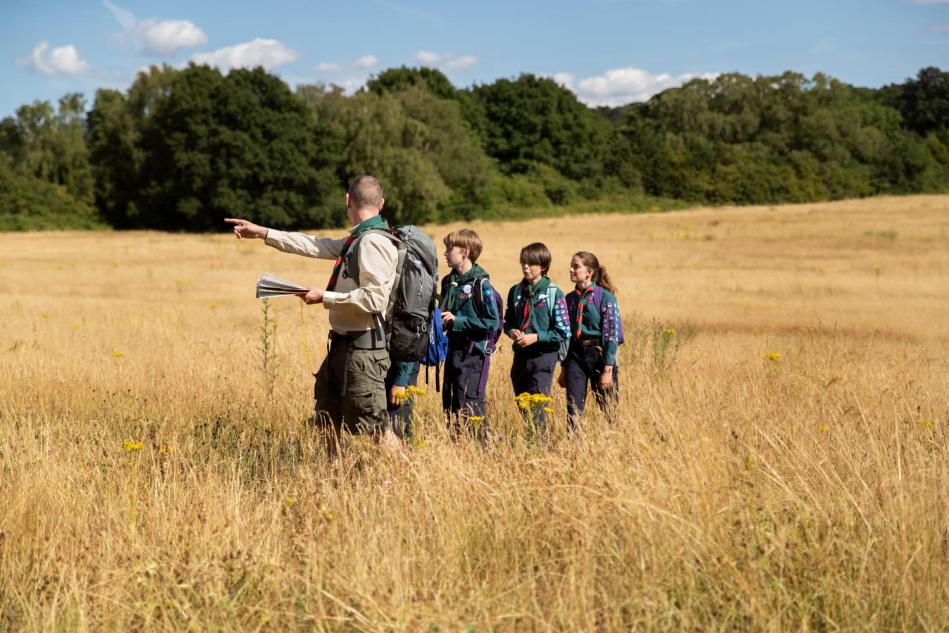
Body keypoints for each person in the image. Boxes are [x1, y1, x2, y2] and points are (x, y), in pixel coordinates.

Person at [225, 176, 402, 446]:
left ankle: (404, 477)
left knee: (375, 428)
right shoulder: (357, 239)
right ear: (381, 203)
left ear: (347, 201)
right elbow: (314, 244)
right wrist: (263, 232)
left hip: (364, 351)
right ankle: (334, 481)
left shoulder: (372, 242)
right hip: (344, 346)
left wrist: (324, 297)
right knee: (326, 421)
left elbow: (375, 299)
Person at [439, 229, 501, 439]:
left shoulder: (481, 285)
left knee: (471, 404)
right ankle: (459, 449)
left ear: (465, 251)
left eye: (450, 249)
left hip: (473, 353)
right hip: (452, 350)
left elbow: (493, 322)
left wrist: (459, 321)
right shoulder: (448, 282)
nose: (445, 253)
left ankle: (483, 447)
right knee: (451, 403)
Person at [503, 243, 570, 437]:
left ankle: (540, 443)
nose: (526, 267)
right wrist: (511, 332)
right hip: (521, 356)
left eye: (531, 263)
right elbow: (507, 322)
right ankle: (532, 435)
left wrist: (537, 337)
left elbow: (563, 331)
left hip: (543, 356)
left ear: (543, 266)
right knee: (523, 402)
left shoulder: (553, 293)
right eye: (523, 262)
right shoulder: (515, 291)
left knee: (538, 405)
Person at [558, 251, 621, 428]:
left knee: (608, 408)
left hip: (599, 356)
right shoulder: (569, 299)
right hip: (575, 357)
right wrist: (563, 368)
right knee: (573, 410)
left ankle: (613, 446)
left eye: (576, 266)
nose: (571, 269)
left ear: (589, 272)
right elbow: (566, 335)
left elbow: (611, 334)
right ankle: (574, 450)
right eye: (571, 265)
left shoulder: (605, 298)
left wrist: (607, 369)